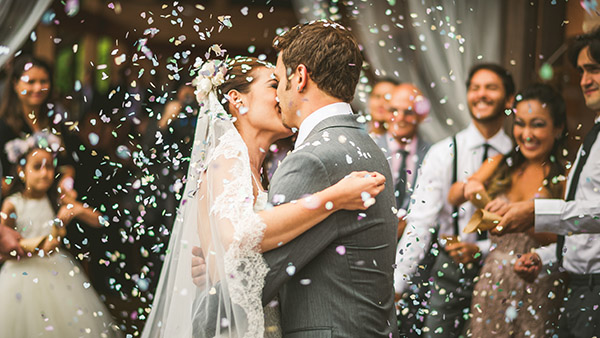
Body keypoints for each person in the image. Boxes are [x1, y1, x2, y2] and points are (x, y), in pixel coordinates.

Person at [141, 53, 387, 338]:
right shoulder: (226, 160)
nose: (283, 94)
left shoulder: (258, 171)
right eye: (274, 85)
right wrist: (333, 198)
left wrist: (214, 267)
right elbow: (237, 236)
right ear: (238, 100)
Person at [263, 20, 398, 337]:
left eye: (279, 80)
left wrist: (214, 271)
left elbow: (261, 276)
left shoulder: (313, 160)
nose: (277, 94)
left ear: (299, 77)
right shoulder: (368, 147)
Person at [394, 63, 514, 337]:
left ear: (508, 99)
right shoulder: (442, 152)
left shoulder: (518, 155)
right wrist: (398, 283)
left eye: (491, 88)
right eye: (475, 88)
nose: (481, 94)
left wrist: (482, 249)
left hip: (503, 271)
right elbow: (420, 224)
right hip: (449, 272)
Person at [496, 28, 600, 337]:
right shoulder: (593, 137)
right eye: (581, 71)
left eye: (594, 69)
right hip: (580, 290)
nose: (584, 80)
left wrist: (535, 212)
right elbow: (588, 235)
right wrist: (542, 258)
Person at [448, 84, 566, 336]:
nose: (527, 134)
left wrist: (523, 217)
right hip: (493, 280)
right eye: (520, 123)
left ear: (557, 128)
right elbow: (454, 195)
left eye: (537, 124)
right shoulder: (501, 163)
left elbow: (567, 238)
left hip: (538, 282)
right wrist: (473, 187)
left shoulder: (564, 177)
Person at [0, 132, 121, 337]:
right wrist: (38, 248)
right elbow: (4, 246)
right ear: (21, 171)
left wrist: (78, 210)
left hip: (57, 270)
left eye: (49, 166)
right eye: (37, 167)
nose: (45, 173)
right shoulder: (13, 203)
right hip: (21, 275)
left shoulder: (56, 199)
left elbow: (101, 221)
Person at [373, 83, 431, 335]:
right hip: (375, 253)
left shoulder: (433, 152)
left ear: (420, 115)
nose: (400, 118)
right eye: (394, 110)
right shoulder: (369, 147)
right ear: (385, 113)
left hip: (419, 261)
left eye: (408, 112)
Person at [0, 54, 75, 207]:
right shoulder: (3, 126)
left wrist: (66, 181)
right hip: (14, 206)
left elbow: (67, 164)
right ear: (15, 83)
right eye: (31, 82)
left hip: (50, 204)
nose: (38, 88)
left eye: (43, 81)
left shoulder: (56, 123)